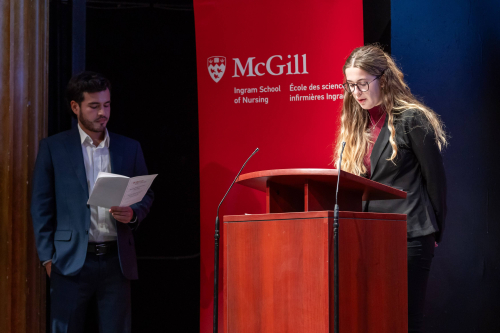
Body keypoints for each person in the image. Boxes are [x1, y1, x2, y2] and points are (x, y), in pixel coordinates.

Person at [335, 45, 447, 333]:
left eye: (362, 83)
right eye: (350, 85)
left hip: (409, 234)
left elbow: (435, 180)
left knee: (404, 320)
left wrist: (434, 230)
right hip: (368, 237)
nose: (356, 92)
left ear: (383, 79)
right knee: (374, 318)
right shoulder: (356, 124)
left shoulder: (411, 118)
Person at [31, 71, 154, 333]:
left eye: (107, 105)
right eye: (94, 106)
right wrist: (47, 259)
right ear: (75, 107)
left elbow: (145, 194)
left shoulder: (128, 147)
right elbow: (41, 206)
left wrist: (133, 213)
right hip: (69, 261)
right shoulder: (54, 148)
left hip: (116, 263)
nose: (103, 113)